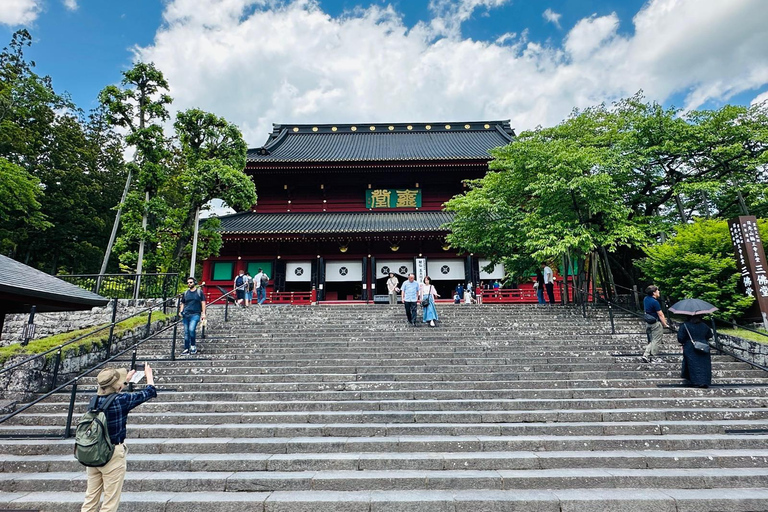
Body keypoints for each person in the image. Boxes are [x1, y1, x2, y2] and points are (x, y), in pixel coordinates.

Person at [81, 364, 157, 512]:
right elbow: (149, 392)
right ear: (116, 386)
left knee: (90, 499)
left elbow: (111, 394)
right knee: (110, 502)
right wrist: (149, 376)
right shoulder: (122, 401)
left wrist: (124, 381)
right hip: (112, 454)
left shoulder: (94, 401)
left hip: (93, 452)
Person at [677, 314, 713, 388]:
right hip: (703, 346)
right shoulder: (704, 325)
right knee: (704, 365)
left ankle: (695, 381)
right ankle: (705, 381)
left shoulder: (685, 325)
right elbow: (710, 335)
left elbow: (680, 338)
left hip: (690, 346)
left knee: (692, 364)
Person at [642, 285, 669, 363]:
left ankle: (646, 355)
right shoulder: (655, 302)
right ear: (654, 293)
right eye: (657, 290)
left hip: (648, 321)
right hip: (655, 322)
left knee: (651, 340)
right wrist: (665, 324)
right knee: (656, 340)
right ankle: (652, 356)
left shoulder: (646, 299)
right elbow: (660, 314)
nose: (659, 292)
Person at [180, 276, 206, 355]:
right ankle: (186, 348)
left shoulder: (199, 292)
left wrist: (203, 313)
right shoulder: (186, 293)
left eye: (190, 282)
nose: (189, 284)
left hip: (195, 314)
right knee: (186, 332)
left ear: (194, 282)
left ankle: (193, 345)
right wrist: (181, 311)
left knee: (191, 329)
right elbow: (183, 303)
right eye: (188, 283)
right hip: (186, 314)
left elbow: (203, 302)